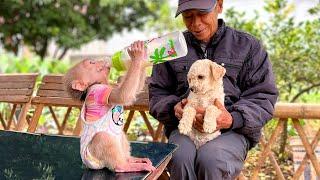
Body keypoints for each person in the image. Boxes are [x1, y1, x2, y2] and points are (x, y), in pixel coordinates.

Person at [148, 0, 279, 179]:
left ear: (219, 5)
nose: (195, 23)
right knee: (179, 156)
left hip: (232, 132)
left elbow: (263, 95)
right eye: (188, 16)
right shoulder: (169, 50)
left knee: (212, 159)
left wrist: (232, 119)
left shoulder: (248, 46)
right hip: (185, 130)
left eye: (202, 13)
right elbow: (157, 93)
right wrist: (174, 108)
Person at [63, 41, 155, 172]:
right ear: (81, 84)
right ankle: (121, 165)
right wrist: (136, 62)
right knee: (104, 137)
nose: (98, 62)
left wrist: (141, 66)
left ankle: (124, 158)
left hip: (103, 152)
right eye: (91, 63)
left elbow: (133, 91)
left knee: (118, 134)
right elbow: (125, 96)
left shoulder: (103, 90)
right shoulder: (95, 91)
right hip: (94, 153)